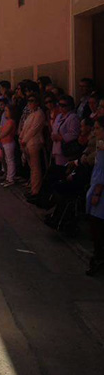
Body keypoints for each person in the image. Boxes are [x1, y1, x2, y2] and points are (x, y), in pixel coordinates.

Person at [85, 116, 104, 276]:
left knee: (98, 228)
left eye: (98, 128)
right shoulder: (100, 146)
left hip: (100, 193)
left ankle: (98, 260)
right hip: (95, 187)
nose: (95, 131)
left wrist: (97, 192)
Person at [19, 94, 46, 198]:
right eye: (29, 101)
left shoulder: (39, 114)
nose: (30, 103)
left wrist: (24, 140)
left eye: (32, 101)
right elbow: (25, 128)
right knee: (32, 167)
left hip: (34, 142)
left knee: (35, 168)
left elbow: (33, 129)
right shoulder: (31, 114)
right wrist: (21, 138)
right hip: (27, 143)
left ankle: (35, 191)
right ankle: (33, 188)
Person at [0, 104, 17, 187]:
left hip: (9, 142)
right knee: (7, 160)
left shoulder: (11, 122)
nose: (5, 113)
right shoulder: (8, 121)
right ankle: (8, 177)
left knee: (10, 160)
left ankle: (10, 178)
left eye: (7, 111)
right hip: (5, 142)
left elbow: (6, 132)